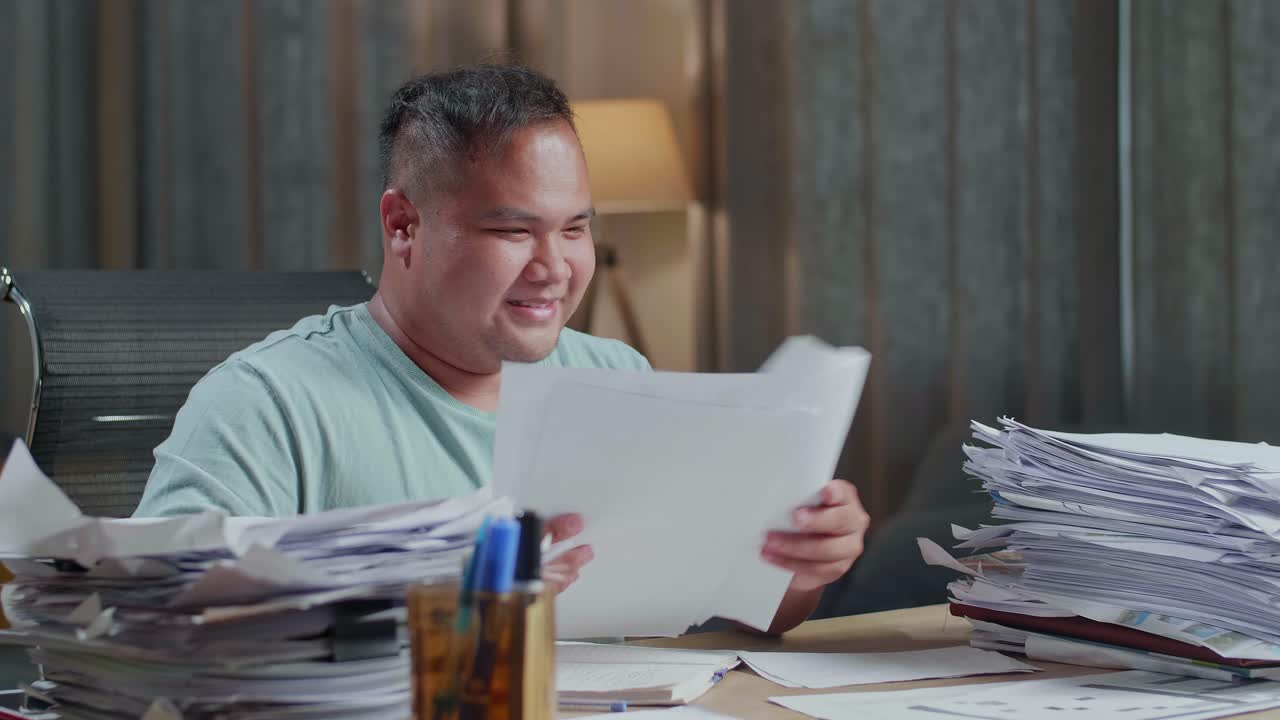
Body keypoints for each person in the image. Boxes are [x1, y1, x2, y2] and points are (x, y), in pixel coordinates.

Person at [134, 64, 869, 634]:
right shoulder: (265, 404)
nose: (556, 266)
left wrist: (799, 566)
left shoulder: (617, 377)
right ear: (403, 226)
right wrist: (428, 600)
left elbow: (749, 610)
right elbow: (150, 625)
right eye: (513, 232)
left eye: (575, 228)